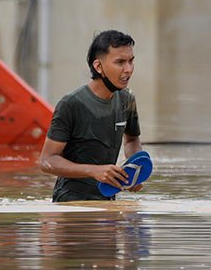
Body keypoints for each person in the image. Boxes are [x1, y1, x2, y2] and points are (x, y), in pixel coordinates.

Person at [38, 29, 144, 201]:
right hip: (72, 203)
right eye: (120, 62)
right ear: (98, 66)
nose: (128, 69)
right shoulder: (71, 104)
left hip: (108, 200)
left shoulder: (127, 99)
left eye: (131, 61)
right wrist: (94, 171)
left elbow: (132, 140)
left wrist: (135, 169)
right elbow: (47, 161)